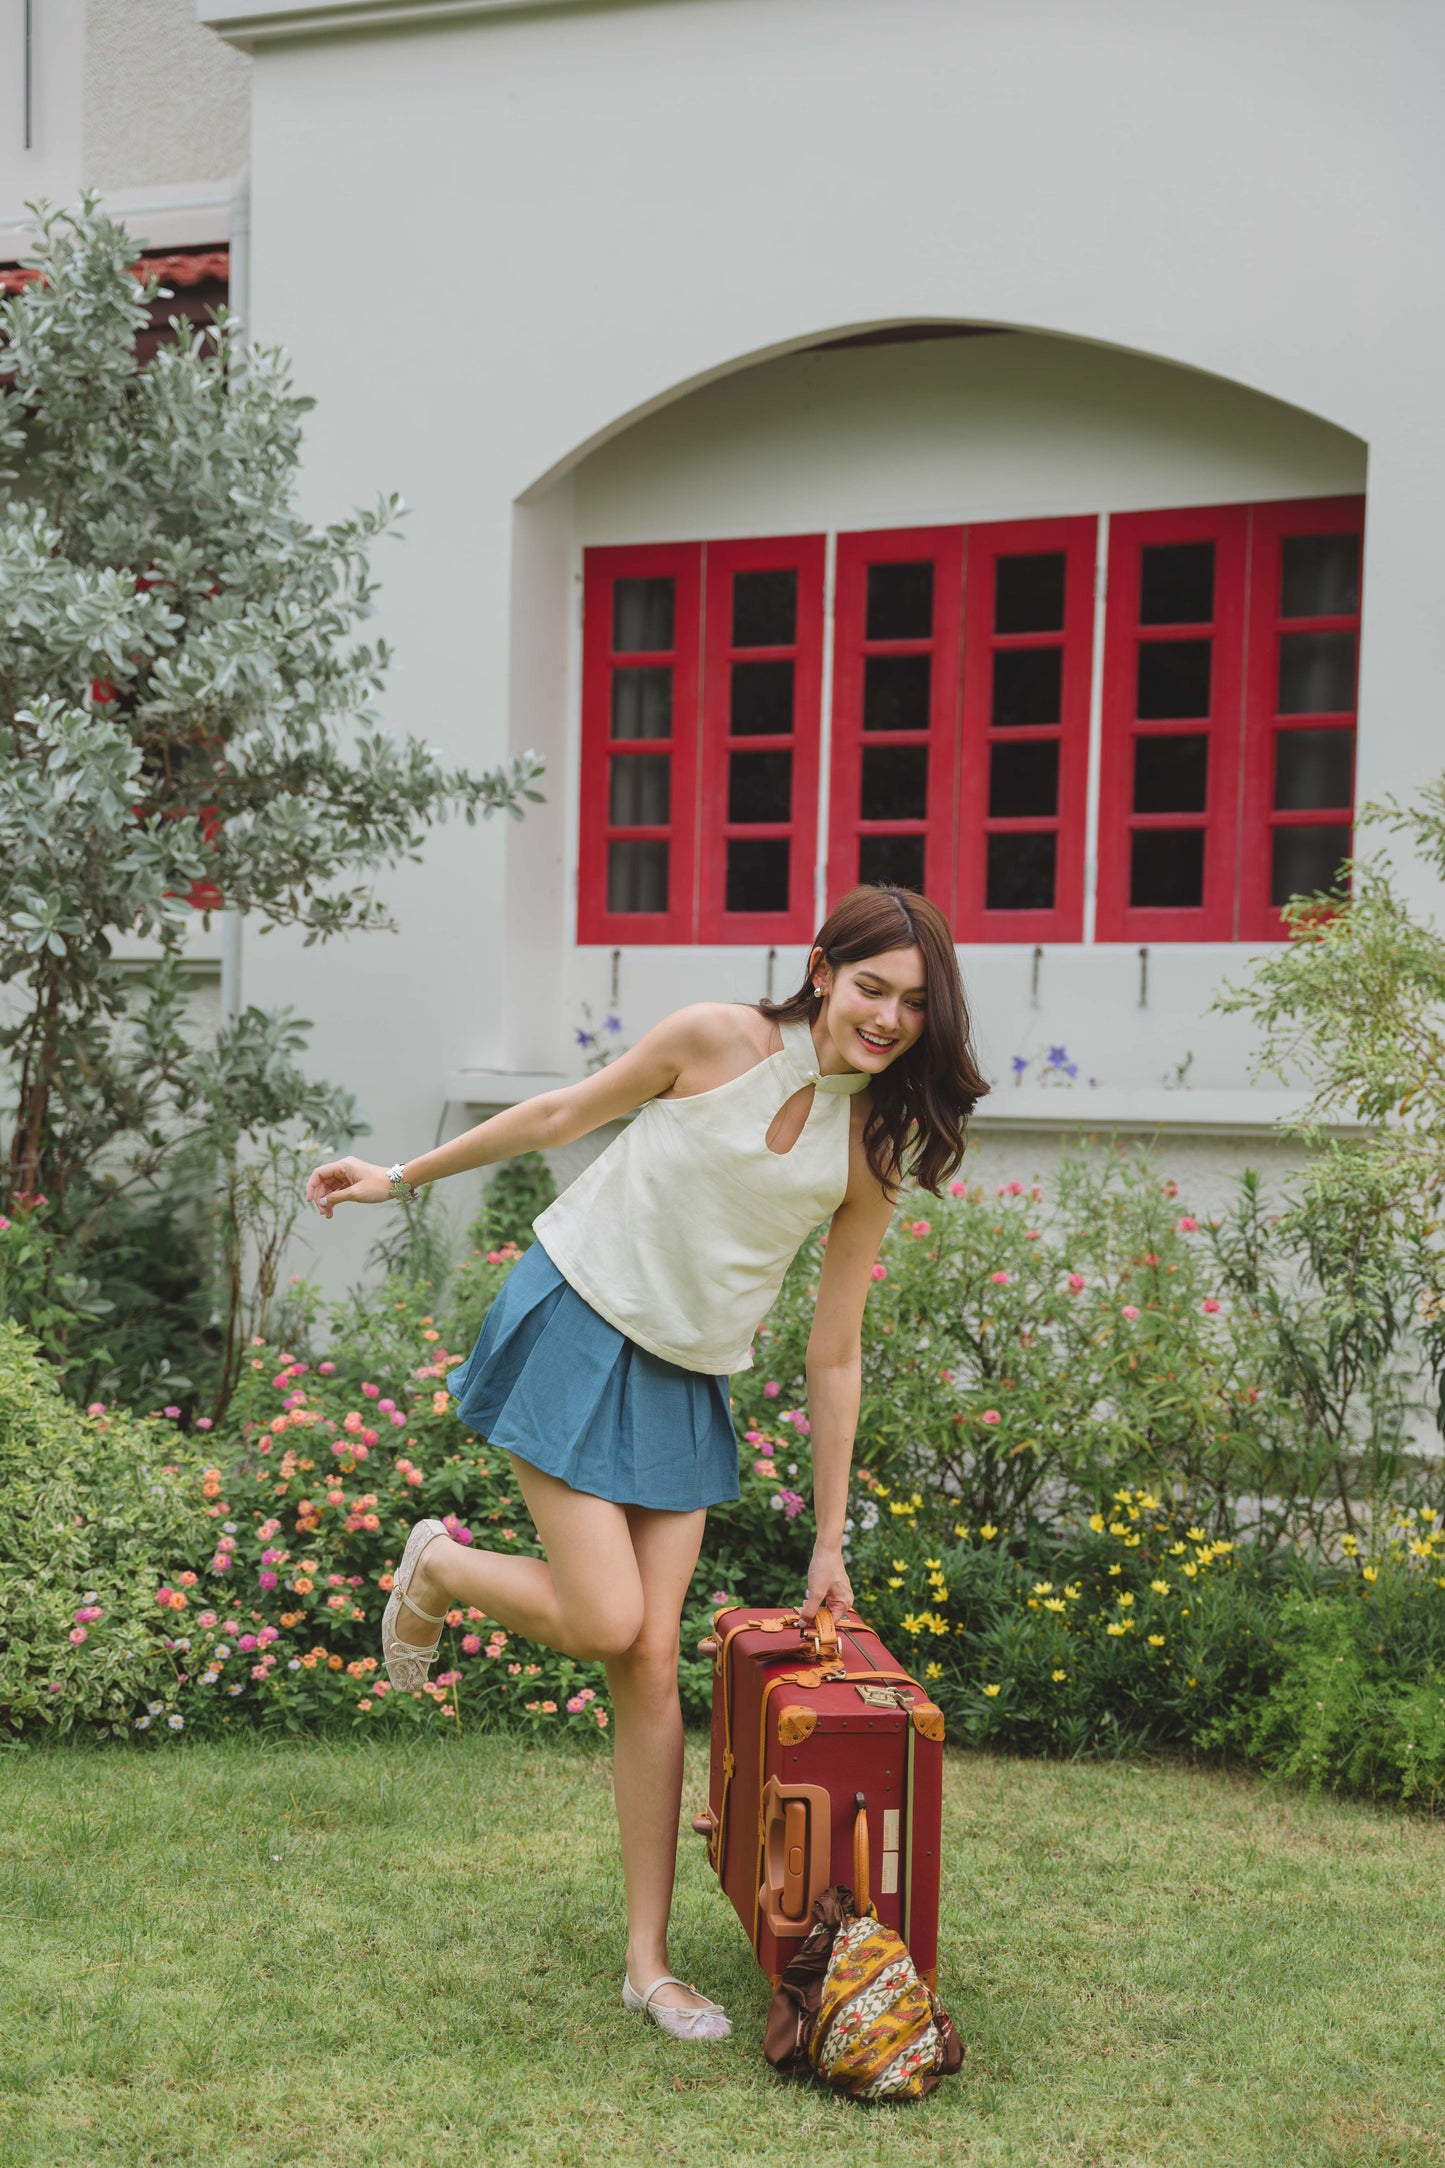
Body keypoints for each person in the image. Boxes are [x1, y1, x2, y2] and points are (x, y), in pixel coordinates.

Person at [305, 882, 987, 2040]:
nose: (886, 1016)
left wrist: (829, 1541)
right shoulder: (716, 1038)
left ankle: (647, 1961)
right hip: (575, 1313)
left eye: (913, 1004)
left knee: (652, 1662)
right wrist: (399, 1178)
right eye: (871, 985)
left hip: (684, 1378)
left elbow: (833, 1352)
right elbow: (561, 1112)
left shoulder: (870, 1143)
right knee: (607, 1617)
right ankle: (441, 1568)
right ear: (821, 967)